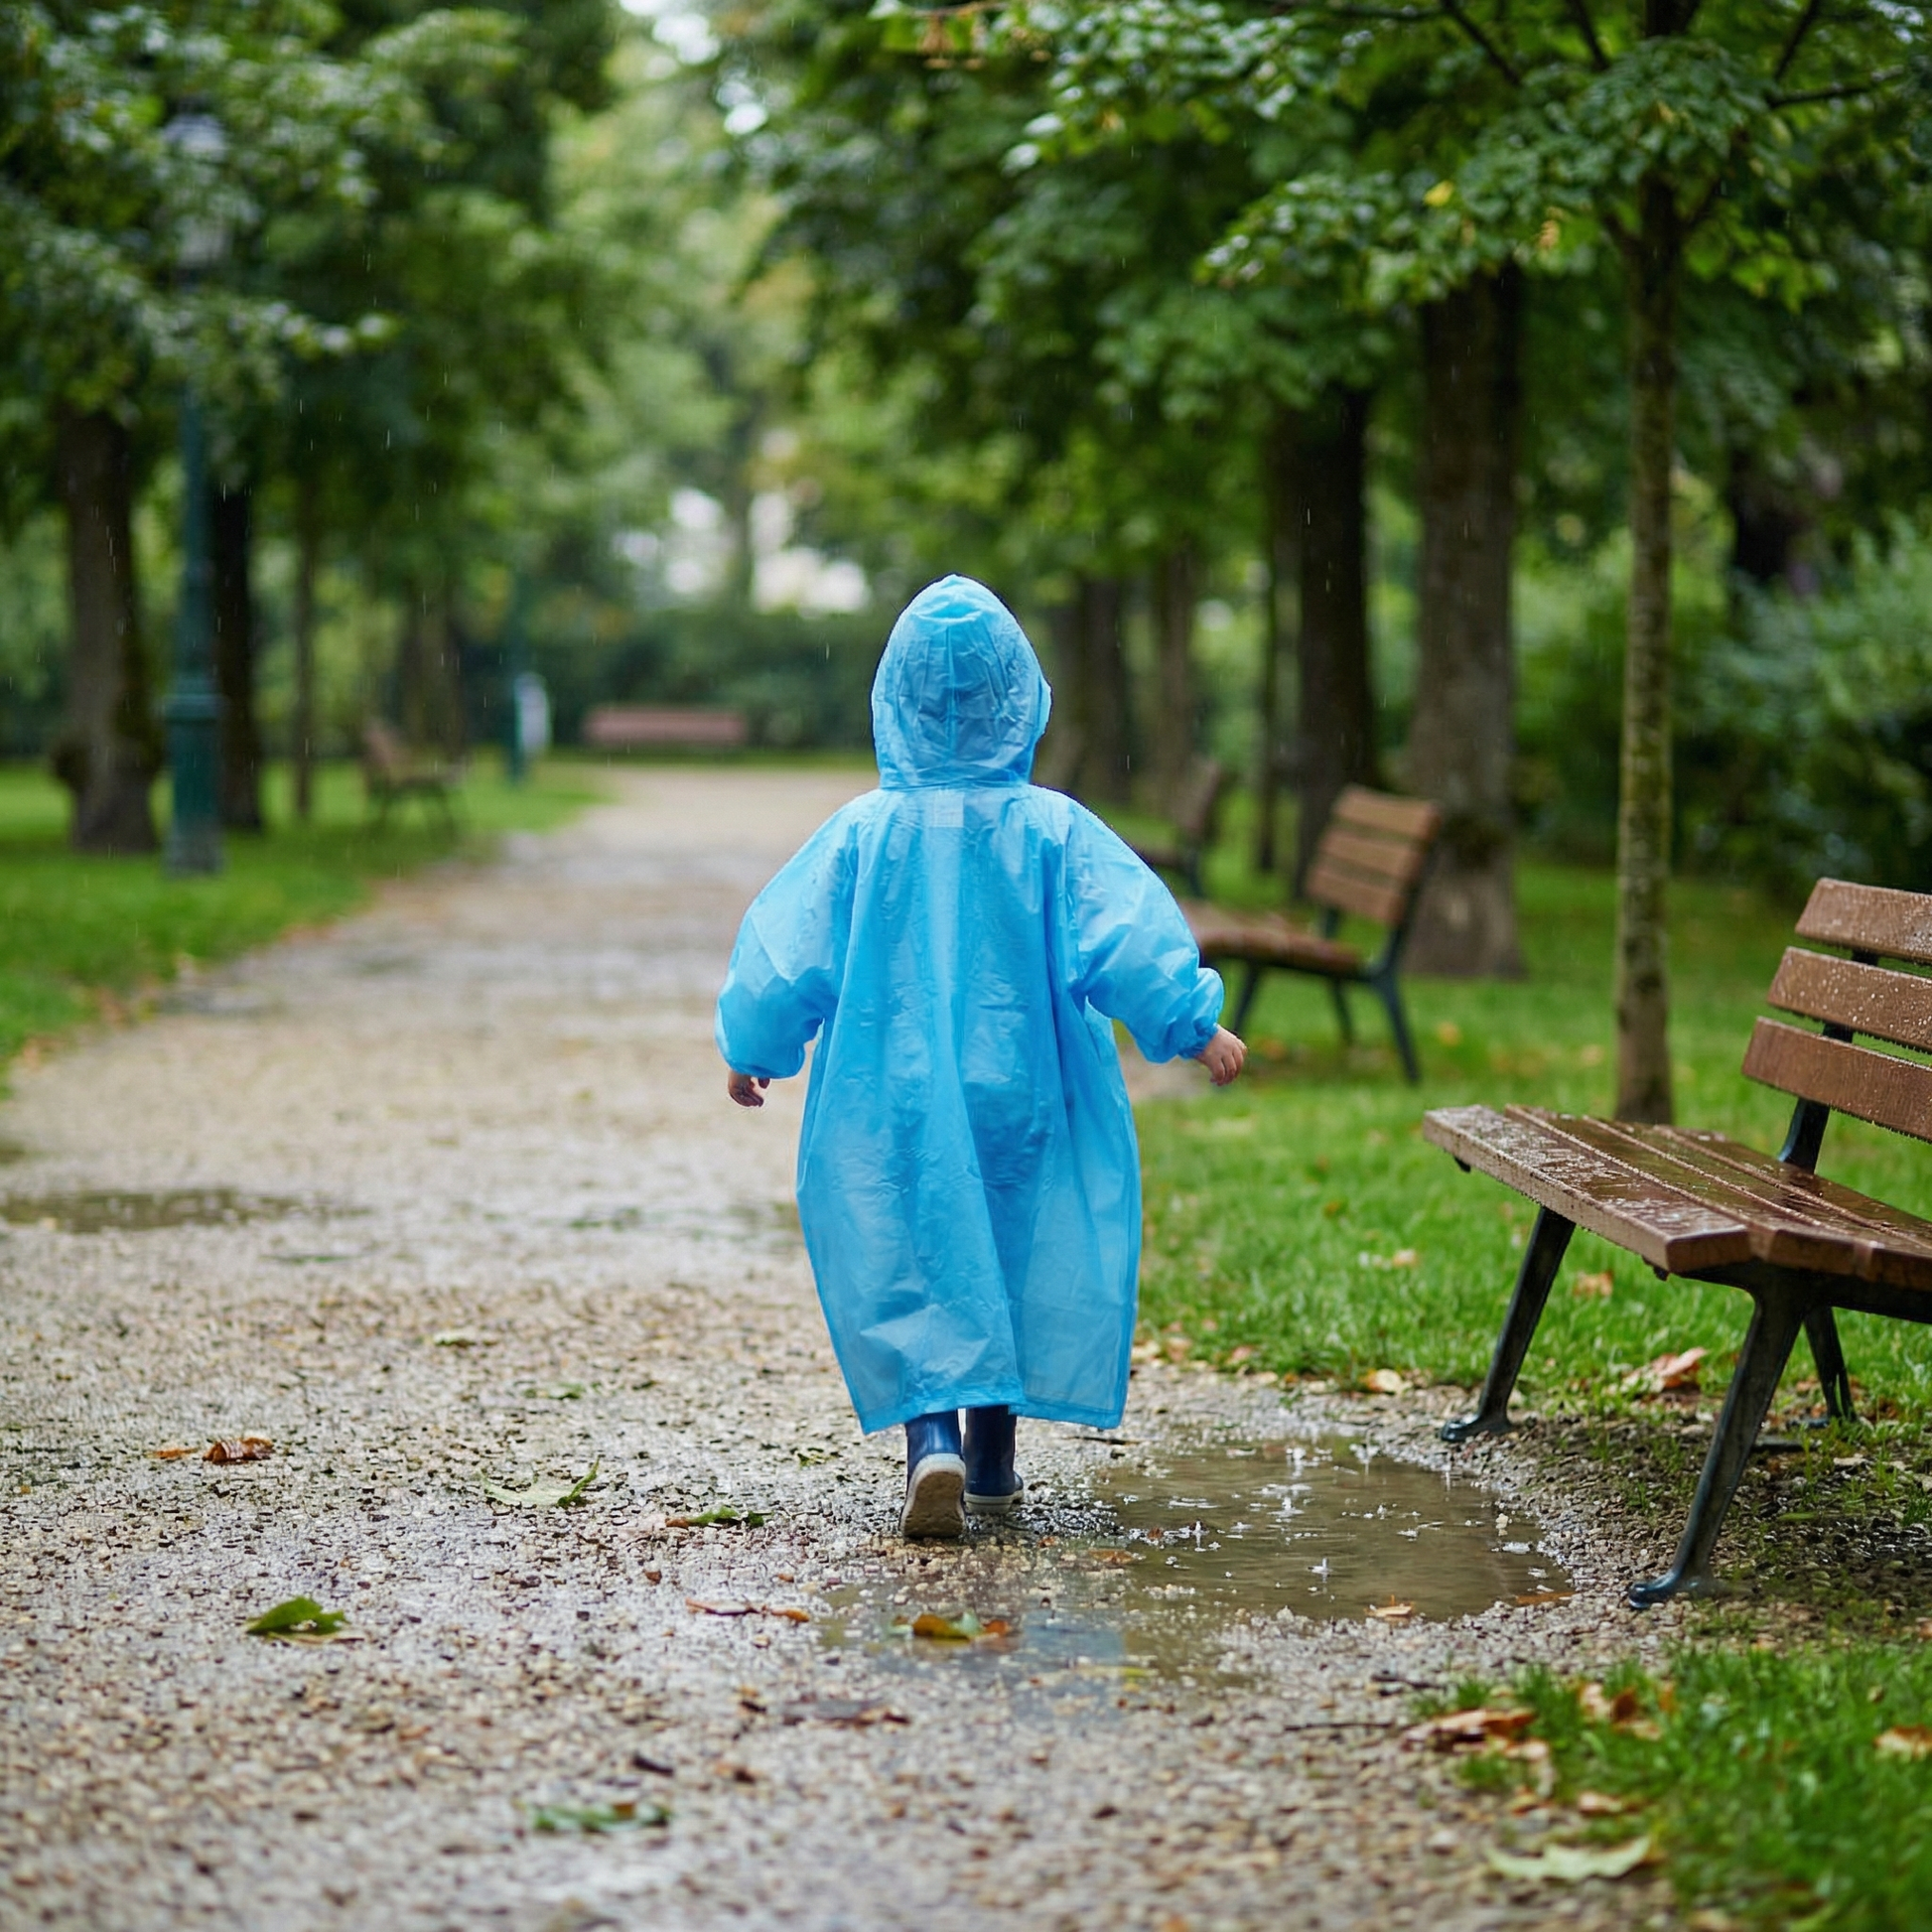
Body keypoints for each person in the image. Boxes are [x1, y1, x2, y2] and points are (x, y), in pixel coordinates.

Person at [715, 575, 1244, 1538]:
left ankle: (932, 1442)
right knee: (1013, 1246)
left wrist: (755, 1046)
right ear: (1020, 696)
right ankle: (995, 1459)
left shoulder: (861, 835)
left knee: (916, 1249)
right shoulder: (1051, 829)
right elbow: (1122, 930)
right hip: (1026, 1083)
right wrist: (1185, 1020)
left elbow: (786, 949)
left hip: (895, 1092)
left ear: (893, 701)